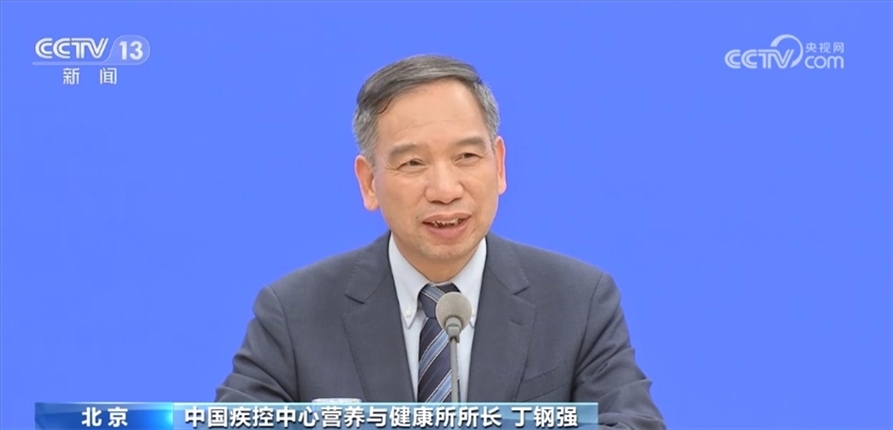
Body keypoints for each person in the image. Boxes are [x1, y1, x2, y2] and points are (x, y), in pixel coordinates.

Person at [216, 54, 665, 429]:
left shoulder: (578, 301)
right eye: (413, 163)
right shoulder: (294, 313)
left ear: (499, 165)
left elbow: (632, 423)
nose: (445, 190)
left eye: (466, 156)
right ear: (369, 183)